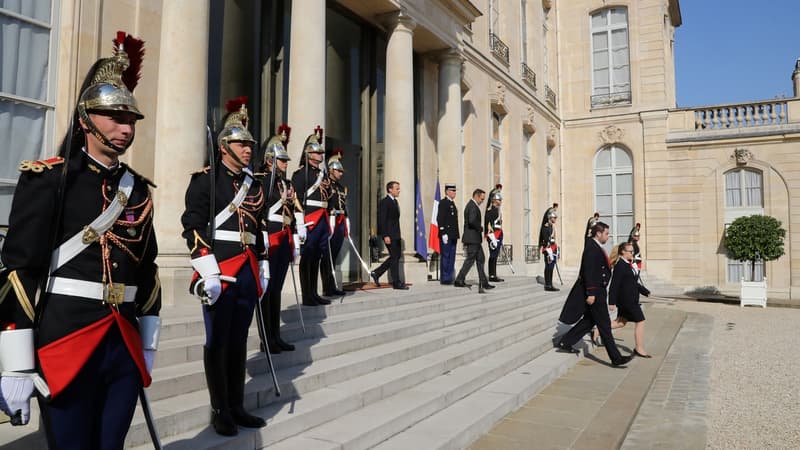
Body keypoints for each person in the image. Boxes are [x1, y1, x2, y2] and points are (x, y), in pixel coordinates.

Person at [0, 32, 162, 448]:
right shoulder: (50, 179)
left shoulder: (138, 189)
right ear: (86, 119)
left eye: (130, 121)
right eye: (115, 118)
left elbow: (148, 270)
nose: (126, 129)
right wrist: (15, 365)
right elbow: (20, 270)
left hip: (122, 340)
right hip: (68, 339)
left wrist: (147, 343)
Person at [181, 97, 268, 435]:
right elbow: (193, 225)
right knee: (217, 340)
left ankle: (237, 404)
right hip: (220, 269)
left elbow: (257, 227)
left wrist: (262, 262)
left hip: (246, 269)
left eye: (249, 144)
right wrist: (207, 270)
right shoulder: (205, 181)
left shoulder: (254, 184)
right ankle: (219, 409)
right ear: (223, 147)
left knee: (238, 339)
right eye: (240, 143)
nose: (247, 149)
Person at [556, 222, 633, 367]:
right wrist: (591, 292)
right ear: (598, 233)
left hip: (599, 291)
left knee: (590, 321)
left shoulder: (596, 246)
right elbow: (589, 271)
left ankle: (566, 341)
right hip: (595, 292)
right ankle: (616, 358)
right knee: (604, 325)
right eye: (606, 233)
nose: (608, 236)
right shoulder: (591, 247)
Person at [256, 125, 298, 353]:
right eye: (282, 160)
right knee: (267, 289)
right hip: (269, 238)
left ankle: (276, 335)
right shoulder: (262, 180)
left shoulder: (285, 183)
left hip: (283, 238)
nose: (285, 163)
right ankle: (266, 338)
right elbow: (259, 210)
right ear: (270, 160)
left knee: (277, 289)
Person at [291, 127, 332, 306]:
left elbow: (327, 196)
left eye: (321, 152)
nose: (320, 154)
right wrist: (300, 221)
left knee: (318, 255)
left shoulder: (322, 174)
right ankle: (307, 294)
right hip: (310, 218)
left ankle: (314, 292)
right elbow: (296, 198)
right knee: (307, 256)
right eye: (317, 152)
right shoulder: (301, 174)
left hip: (322, 216)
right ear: (308, 154)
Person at [608, 241, 652, 357]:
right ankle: (639, 348)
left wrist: (645, 291)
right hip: (627, 300)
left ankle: (598, 329)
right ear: (623, 252)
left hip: (630, 299)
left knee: (621, 322)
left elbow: (633, 282)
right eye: (631, 251)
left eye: (633, 251)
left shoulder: (627, 264)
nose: (633, 253)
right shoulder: (620, 266)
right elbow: (614, 284)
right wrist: (611, 302)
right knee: (640, 321)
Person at [454, 189, 494, 294]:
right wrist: (480, 228)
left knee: (480, 259)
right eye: (481, 199)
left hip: (474, 239)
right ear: (476, 196)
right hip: (472, 238)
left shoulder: (473, 205)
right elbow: (471, 221)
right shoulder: (472, 206)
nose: (482, 201)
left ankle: (483, 282)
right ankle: (459, 279)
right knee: (470, 260)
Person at [320, 152, 348, 296]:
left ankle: (331, 286)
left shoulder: (340, 187)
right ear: (331, 170)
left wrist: (346, 220)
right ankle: (326, 286)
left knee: (334, 255)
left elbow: (344, 205)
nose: (341, 173)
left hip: (340, 221)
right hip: (330, 220)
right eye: (339, 170)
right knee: (327, 256)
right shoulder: (326, 184)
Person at [371, 181, 407, 289]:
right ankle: (396, 282)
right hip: (389, 235)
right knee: (395, 257)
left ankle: (377, 273)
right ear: (390, 189)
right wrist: (385, 235)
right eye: (397, 188)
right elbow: (382, 220)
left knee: (395, 256)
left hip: (396, 234)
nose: (399, 190)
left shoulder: (395, 202)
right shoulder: (385, 202)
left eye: (399, 188)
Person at [436, 183, 459, 285]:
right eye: (452, 191)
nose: (454, 193)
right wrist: (443, 232)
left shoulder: (452, 203)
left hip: (453, 234)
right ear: (447, 192)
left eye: (454, 191)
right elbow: (440, 218)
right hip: (446, 234)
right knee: (446, 256)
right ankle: (445, 278)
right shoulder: (443, 203)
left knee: (452, 256)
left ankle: (449, 276)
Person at [538, 203, 560, 291]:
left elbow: (554, 239)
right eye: (554, 218)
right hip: (548, 249)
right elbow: (546, 239)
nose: (555, 219)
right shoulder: (545, 227)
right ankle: (547, 284)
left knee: (552, 267)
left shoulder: (551, 227)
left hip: (553, 248)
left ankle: (550, 283)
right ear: (550, 217)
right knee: (549, 266)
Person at [485, 191, 505, 282]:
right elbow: (488, 224)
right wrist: (491, 236)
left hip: (498, 234)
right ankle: (491, 275)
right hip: (493, 235)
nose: (500, 201)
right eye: (499, 200)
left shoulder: (497, 210)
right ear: (494, 200)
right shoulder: (490, 210)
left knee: (495, 255)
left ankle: (494, 274)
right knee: (493, 255)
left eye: (500, 200)